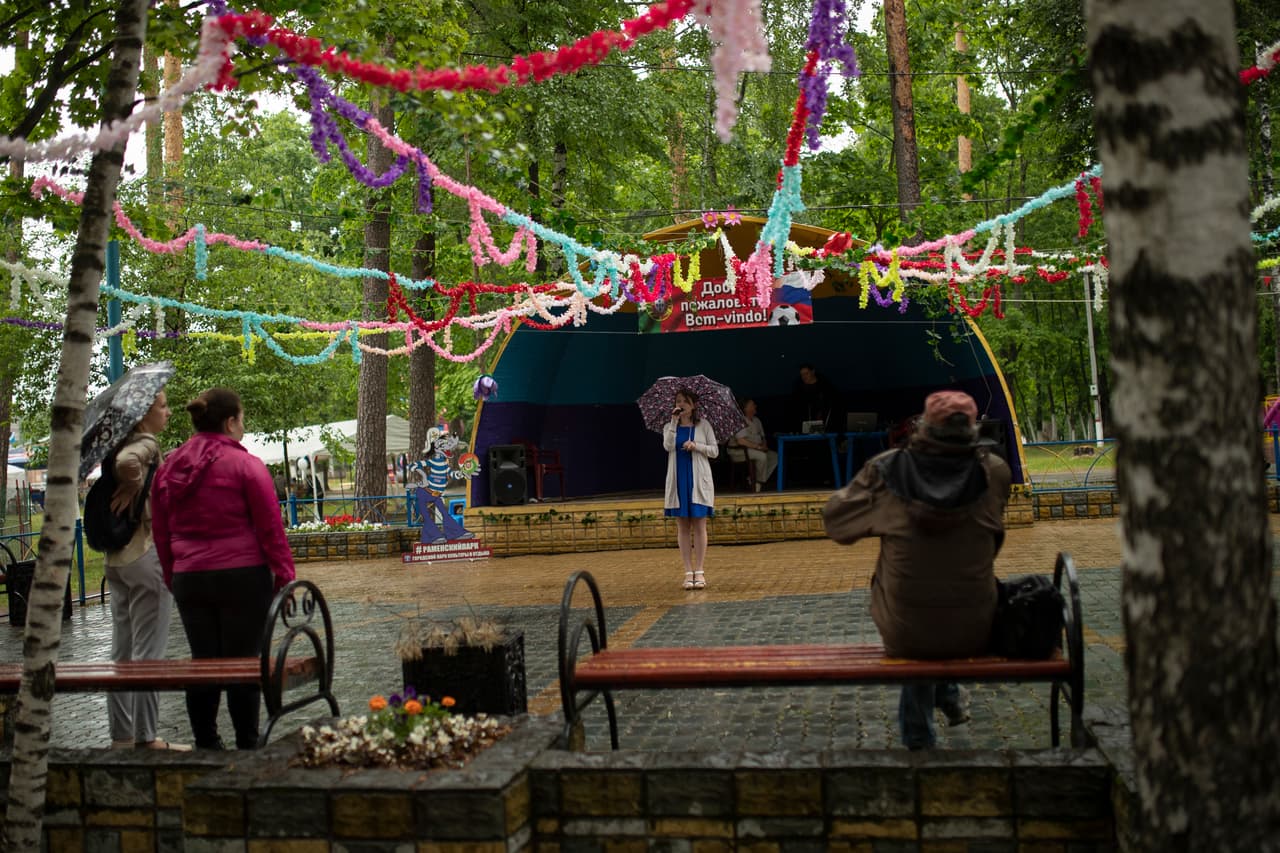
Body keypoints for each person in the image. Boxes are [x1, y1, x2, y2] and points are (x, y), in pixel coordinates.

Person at [822, 390, 1011, 751]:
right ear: (973, 427)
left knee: (913, 596)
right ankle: (948, 695)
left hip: (905, 629)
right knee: (942, 587)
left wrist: (879, 511)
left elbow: (836, 523)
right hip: (976, 625)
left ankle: (920, 738)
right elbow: (994, 537)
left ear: (923, 424)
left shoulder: (887, 471)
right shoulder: (995, 471)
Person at [151, 388, 297, 750]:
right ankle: (248, 742)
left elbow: (160, 529)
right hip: (244, 577)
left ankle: (206, 741)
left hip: (190, 578)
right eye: (242, 419)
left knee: (204, 662)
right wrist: (285, 575)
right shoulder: (247, 466)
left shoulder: (169, 467)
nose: (242, 425)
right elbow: (270, 527)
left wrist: (174, 575)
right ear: (230, 421)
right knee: (243, 662)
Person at [103, 390, 189, 751]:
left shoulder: (119, 442)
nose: (168, 411)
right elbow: (128, 463)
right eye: (163, 406)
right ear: (143, 415)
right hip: (145, 553)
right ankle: (147, 737)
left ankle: (122, 735)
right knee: (148, 651)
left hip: (117, 560)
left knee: (121, 651)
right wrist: (134, 481)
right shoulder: (144, 444)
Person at [663, 388, 718, 590]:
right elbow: (668, 446)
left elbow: (714, 451)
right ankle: (688, 572)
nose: (681, 404)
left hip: (698, 480)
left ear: (693, 405)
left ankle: (700, 571)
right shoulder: (670, 426)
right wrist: (673, 423)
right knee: (683, 527)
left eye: (685, 401)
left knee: (699, 525)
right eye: (678, 401)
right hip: (678, 481)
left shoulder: (704, 426)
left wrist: (697, 446)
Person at [727, 397, 777, 492]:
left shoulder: (757, 420)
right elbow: (741, 441)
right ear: (745, 408)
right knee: (762, 456)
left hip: (755, 449)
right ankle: (757, 483)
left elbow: (762, 437)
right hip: (739, 451)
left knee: (774, 457)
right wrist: (759, 447)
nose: (755, 406)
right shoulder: (739, 420)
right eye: (752, 405)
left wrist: (764, 445)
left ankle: (755, 480)